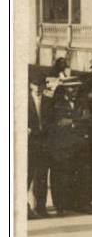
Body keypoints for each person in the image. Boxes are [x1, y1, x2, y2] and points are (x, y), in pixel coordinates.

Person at [48, 76, 92, 215]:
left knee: (82, 174)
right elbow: (57, 123)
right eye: (70, 87)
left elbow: (88, 119)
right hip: (63, 145)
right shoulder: (56, 103)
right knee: (62, 175)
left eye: (76, 87)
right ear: (64, 88)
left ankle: (81, 204)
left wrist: (71, 122)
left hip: (80, 143)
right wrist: (77, 121)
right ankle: (61, 206)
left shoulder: (82, 102)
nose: (74, 89)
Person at [28, 72, 52, 218]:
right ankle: (24, 208)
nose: (37, 88)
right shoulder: (21, 100)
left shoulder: (49, 101)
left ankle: (41, 207)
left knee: (42, 176)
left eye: (40, 86)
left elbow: (53, 121)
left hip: (44, 143)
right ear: (31, 86)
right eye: (35, 85)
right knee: (27, 176)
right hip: (30, 143)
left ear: (44, 87)